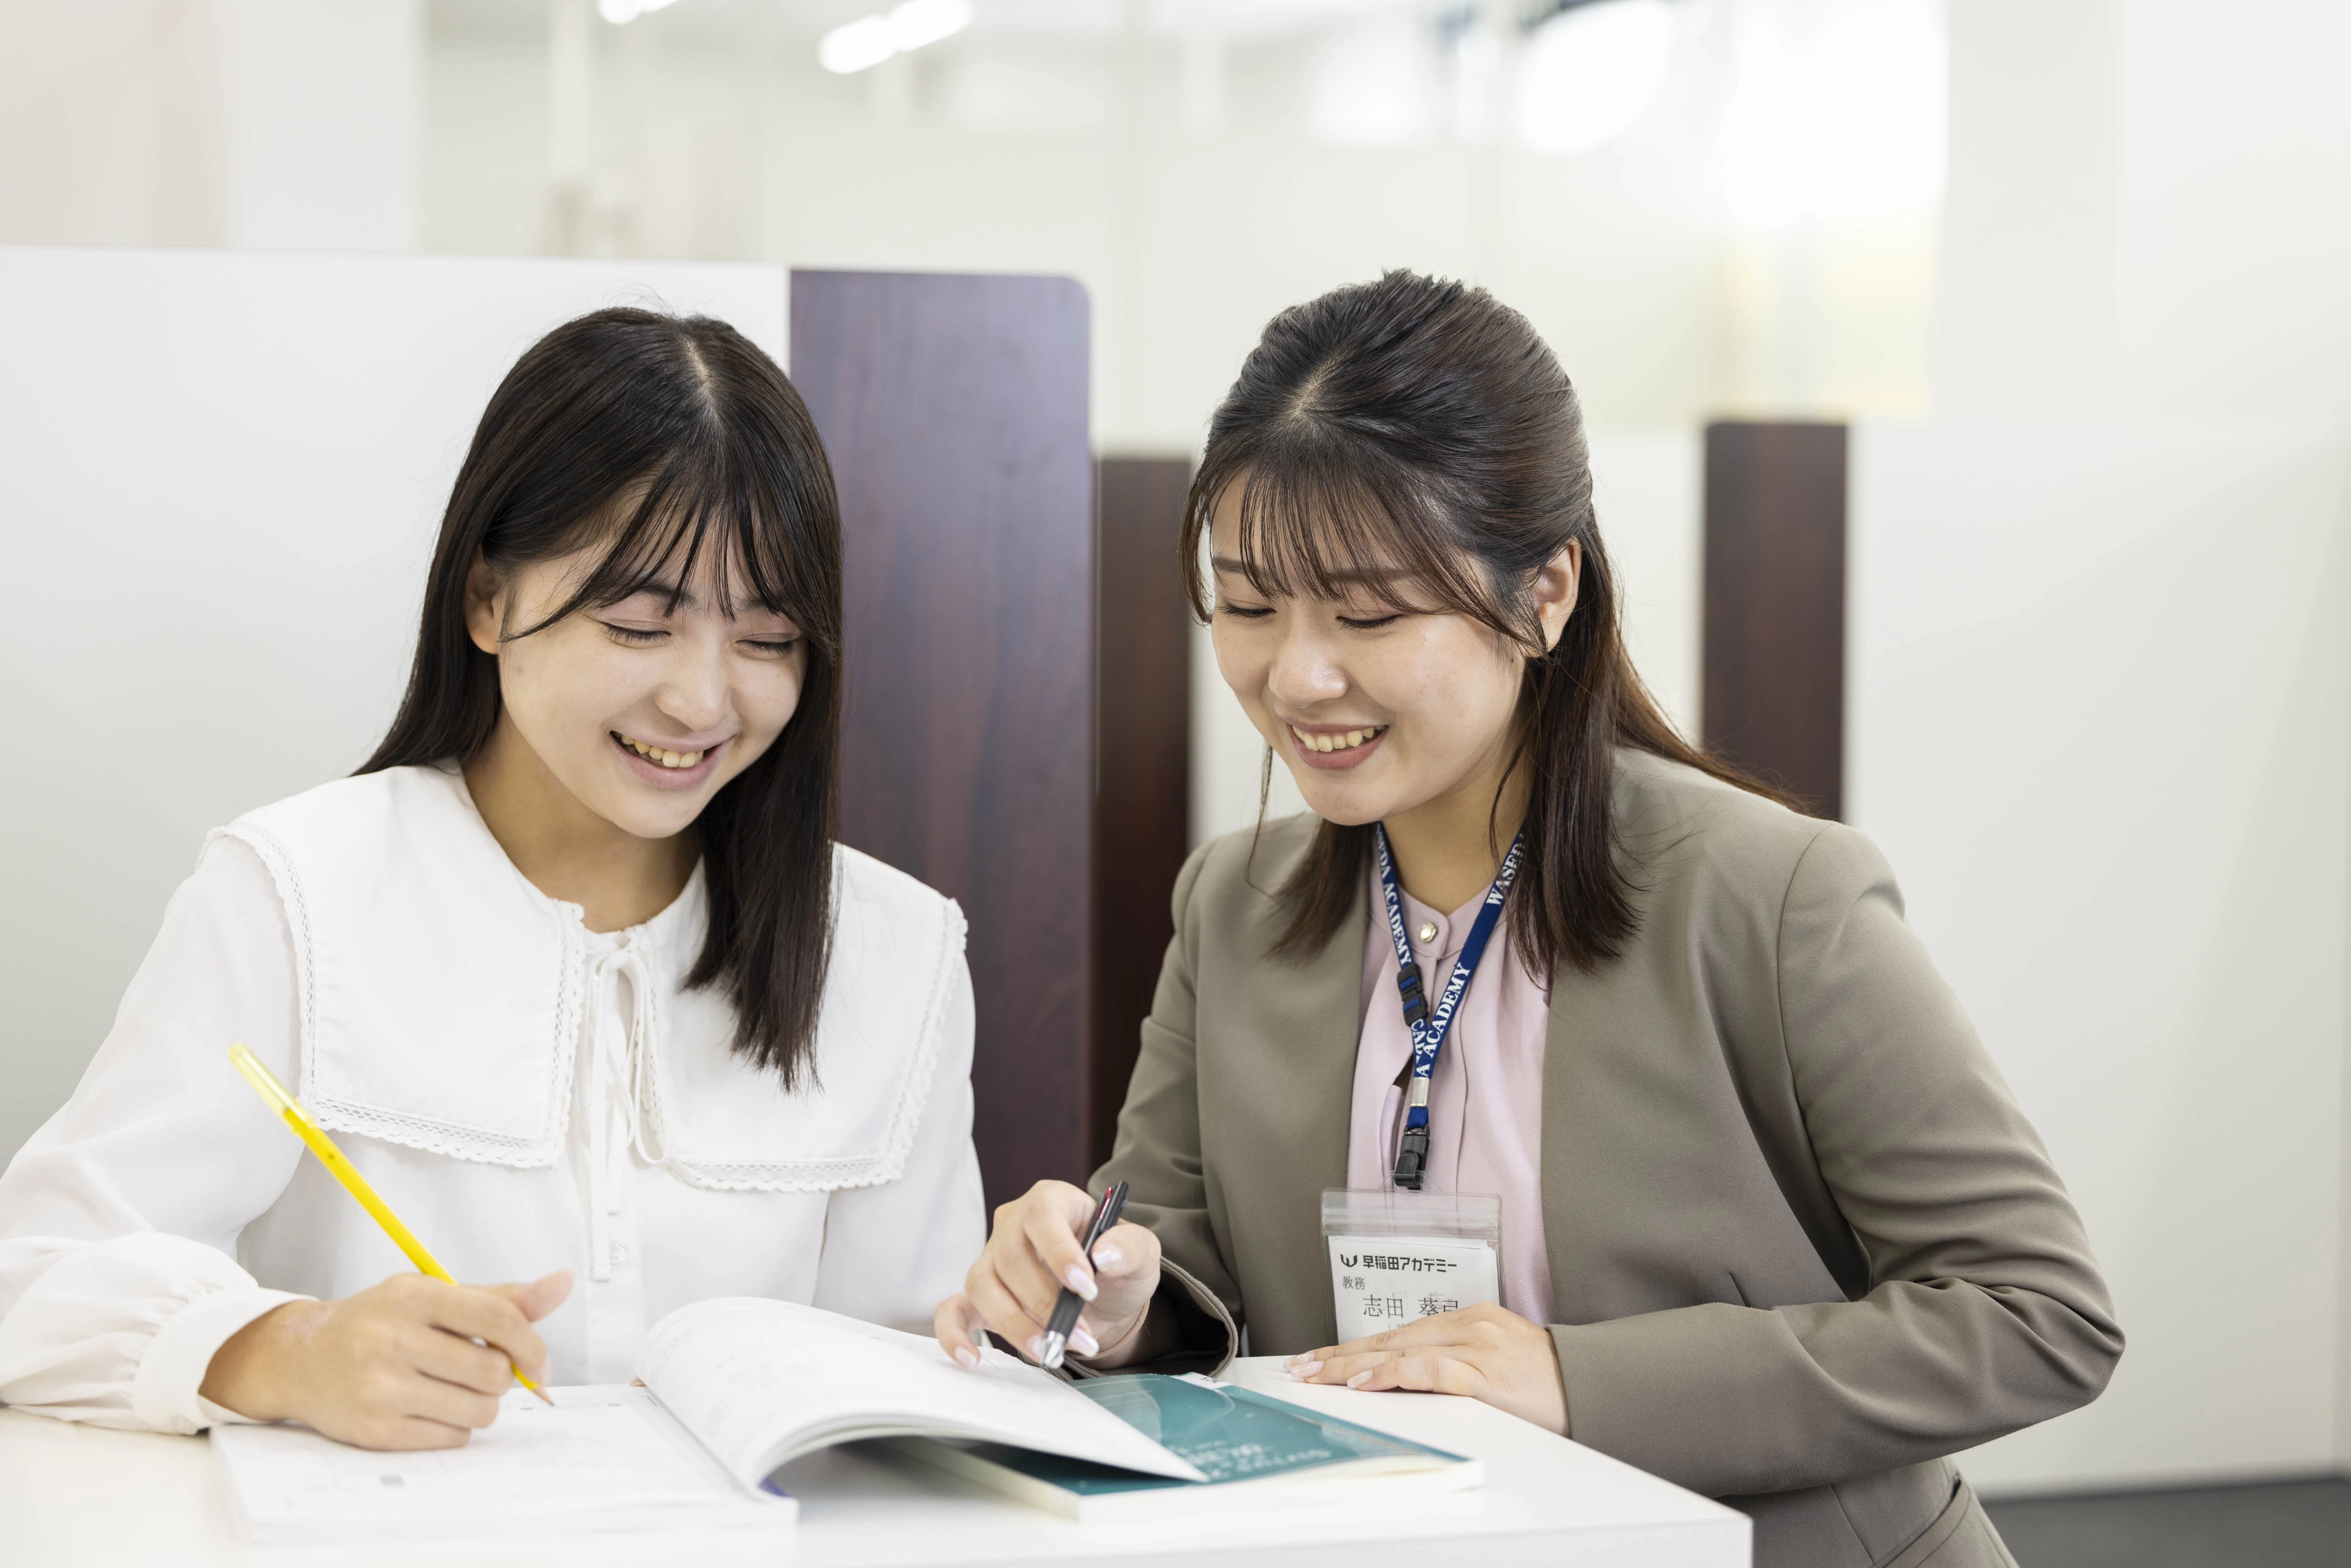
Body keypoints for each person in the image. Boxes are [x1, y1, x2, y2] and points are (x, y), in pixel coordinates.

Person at [937, 272, 2120, 1567]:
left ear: (1544, 593)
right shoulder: (1232, 905)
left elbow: (2038, 1312)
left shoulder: (1772, 898)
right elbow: (1186, 1273)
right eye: (1250, 603)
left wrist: (1573, 1382)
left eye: (1370, 612)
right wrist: (1109, 1299)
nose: (1296, 674)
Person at [0, 308, 982, 1451]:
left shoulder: (890, 950)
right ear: (487, 601)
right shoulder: (293, 894)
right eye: (637, 625)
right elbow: (36, 1283)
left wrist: (1028, 1315)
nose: (704, 703)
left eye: (767, 641)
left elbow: (921, 1369)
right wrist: (284, 1351)